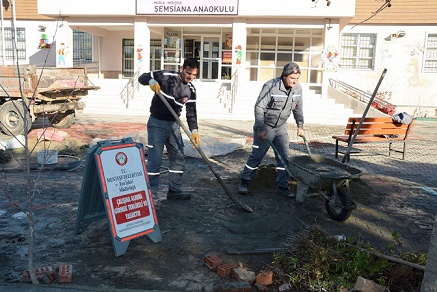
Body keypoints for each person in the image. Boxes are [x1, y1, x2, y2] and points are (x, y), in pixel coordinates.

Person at [238, 62, 304, 197]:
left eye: (297, 79)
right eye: (292, 78)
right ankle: (244, 182)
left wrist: (300, 125)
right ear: (285, 76)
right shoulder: (271, 86)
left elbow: (298, 108)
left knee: (285, 157)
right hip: (266, 126)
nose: (295, 81)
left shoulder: (298, 89)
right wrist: (261, 129)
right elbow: (259, 107)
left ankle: (283, 187)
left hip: (281, 127)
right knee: (257, 156)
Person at [138, 58, 200, 200]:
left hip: (174, 125)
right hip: (157, 123)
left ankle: (174, 191)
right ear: (182, 68)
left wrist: (194, 130)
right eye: (188, 73)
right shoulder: (166, 76)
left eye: (194, 75)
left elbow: (191, 112)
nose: (190, 77)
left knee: (178, 157)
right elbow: (143, 77)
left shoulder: (191, 90)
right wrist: (151, 81)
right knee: (155, 160)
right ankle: (151, 194)